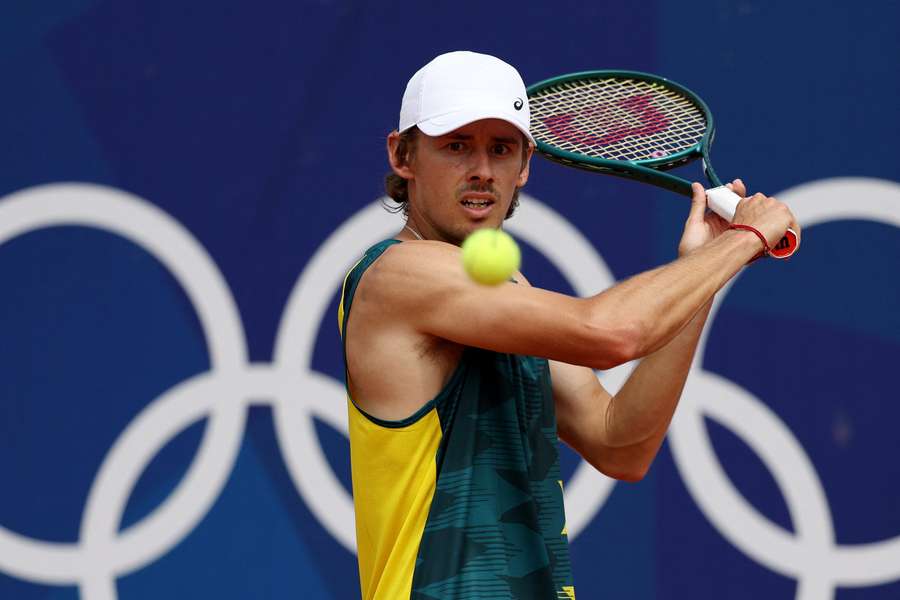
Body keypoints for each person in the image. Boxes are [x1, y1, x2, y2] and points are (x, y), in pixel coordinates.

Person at [338, 51, 799, 600]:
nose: (482, 168)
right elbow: (612, 334)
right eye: (456, 145)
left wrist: (704, 272)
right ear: (402, 154)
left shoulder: (510, 296)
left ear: (526, 164)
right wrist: (745, 240)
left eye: (501, 148)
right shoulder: (399, 275)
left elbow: (621, 443)